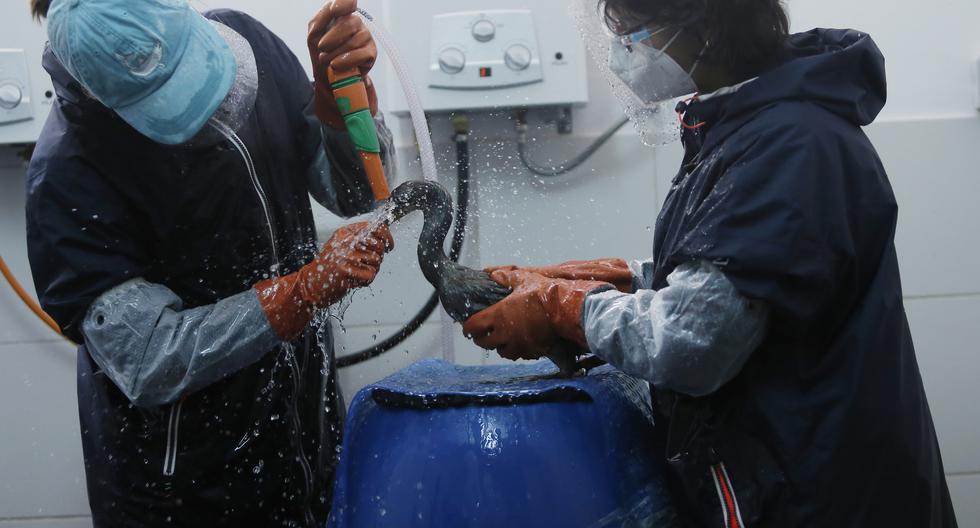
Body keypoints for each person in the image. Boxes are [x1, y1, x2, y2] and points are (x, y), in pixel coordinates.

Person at [462, 0, 958, 526]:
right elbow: (752, 277)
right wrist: (625, 279)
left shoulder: (787, 143)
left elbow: (691, 344)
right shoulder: (753, 124)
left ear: (707, 30)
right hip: (802, 472)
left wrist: (562, 307)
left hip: (818, 495)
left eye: (632, 33)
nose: (620, 52)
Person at [25, 0, 394, 525]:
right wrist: (302, 290)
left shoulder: (250, 41)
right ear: (106, 97)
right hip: (184, 491)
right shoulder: (68, 176)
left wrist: (339, 111)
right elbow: (150, 358)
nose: (217, 114)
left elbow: (354, 192)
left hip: (302, 440)